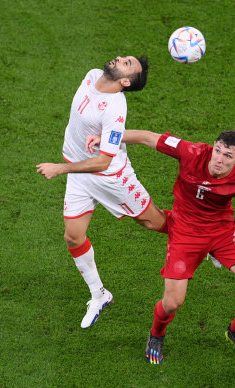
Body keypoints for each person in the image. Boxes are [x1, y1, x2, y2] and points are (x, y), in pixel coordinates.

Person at [87, 129, 235, 363]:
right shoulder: (192, 152)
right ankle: (156, 334)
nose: (219, 158)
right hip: (185, 232)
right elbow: (148, 137)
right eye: (217, 151)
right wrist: (108, 137)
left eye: (228, 155)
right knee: (173, 302)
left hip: (222, 231)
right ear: (212, 147)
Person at [36, 56, 169, 329]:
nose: (120, 58)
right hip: (80, 173)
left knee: (155, 223)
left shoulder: (115, 109)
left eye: (127, 63)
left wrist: (60, 169)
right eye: (125, 57)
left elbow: (104, 161)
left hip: (110, 178)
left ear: (125, 82)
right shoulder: (92, 73)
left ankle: (209, 240)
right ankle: (99, 294)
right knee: (73, 237)